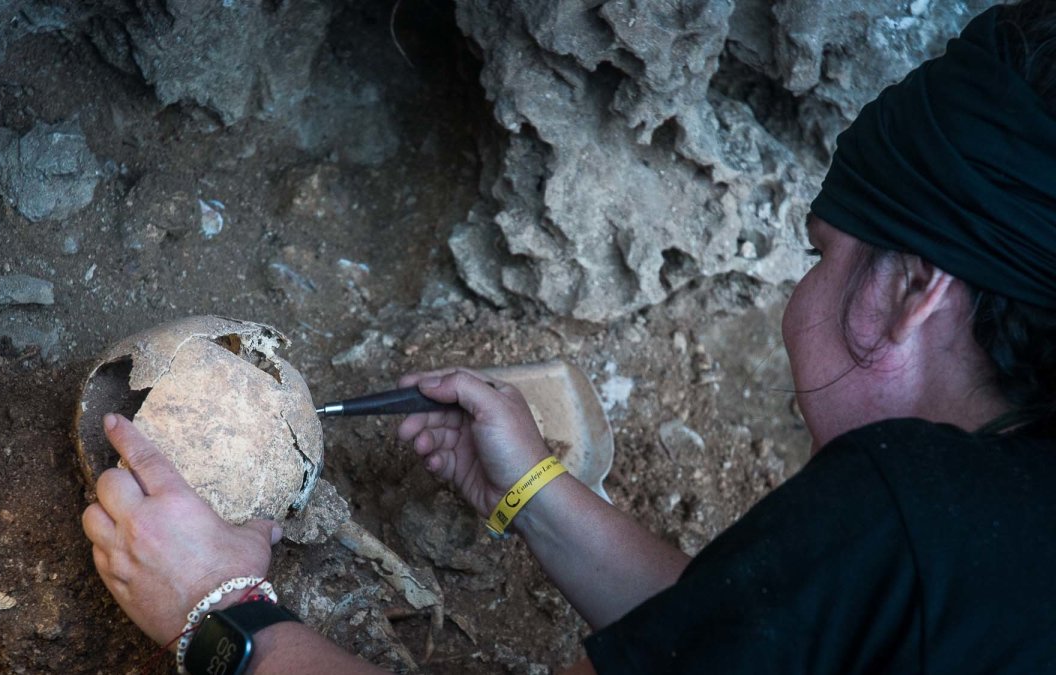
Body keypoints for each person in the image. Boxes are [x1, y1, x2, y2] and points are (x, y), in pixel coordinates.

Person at [81, 2, 1056, 673]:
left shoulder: (907, 510)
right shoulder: (989, 533)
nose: (804, 289)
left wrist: (219, 615)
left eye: (820, 254)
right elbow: (764, 637)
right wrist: (537, 492)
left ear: (910, 291)